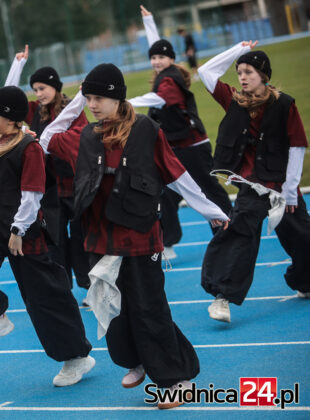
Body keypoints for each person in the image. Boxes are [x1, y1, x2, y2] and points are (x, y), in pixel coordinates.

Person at [40, 63, 229, 408]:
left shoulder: (146, 130)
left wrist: (210, 210)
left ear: (118, 98)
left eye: (98, 98)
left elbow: (176, 174)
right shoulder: (86, 136)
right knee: (112, 308)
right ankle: (138, 359)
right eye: (88, 98)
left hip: (140, 236)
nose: (92, 105)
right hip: (100, 240)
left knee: (148, 308)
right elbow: (47, 137)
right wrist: (76, 101)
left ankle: (176, 380)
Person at [0, 86, 94, 387]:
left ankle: (76, 357)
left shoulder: (30, 148)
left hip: (24, 233)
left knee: (45, 298)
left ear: (11, 118)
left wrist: (18, 230)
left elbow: (32, 195)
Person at [198, 41, 310, 322]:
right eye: (239, 73)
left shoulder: (284, 105)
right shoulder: (234, 100)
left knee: (303, 237)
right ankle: (222, 298)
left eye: (248, 71)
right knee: (240, 236)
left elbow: (297, 146)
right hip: (251, 185)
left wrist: (291, 191)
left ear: (263, 75)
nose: (242, 77)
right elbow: (206, 73)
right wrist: (238, 50)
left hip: (282, 186)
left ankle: (304, 281)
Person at [130, 5, 232, 260]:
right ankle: (168, 242)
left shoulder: (170, 79)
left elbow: (159, 99)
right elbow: (157, 46)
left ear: (171, 59)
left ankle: (229, 229)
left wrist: (125, 103)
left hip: (193, 146)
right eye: (153, 58)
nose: (156, 61)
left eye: (161, 58)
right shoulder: (163, 72)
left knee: (209, 189)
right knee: (165, 194)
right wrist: (149, 22)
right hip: (173, 147)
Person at [5, 45, 91, 292]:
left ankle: (88, 285)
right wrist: (18, 65)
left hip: (75, 185)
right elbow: (8, 97)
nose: (38, 93)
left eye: (42, 88)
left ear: (55, 86)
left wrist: (52, 144)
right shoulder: (34, 111)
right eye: (35, 89)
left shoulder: (73, 110)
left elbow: (81, 140)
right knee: (55, 240)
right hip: (49, 190)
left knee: (81, 238)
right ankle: (63, 288)